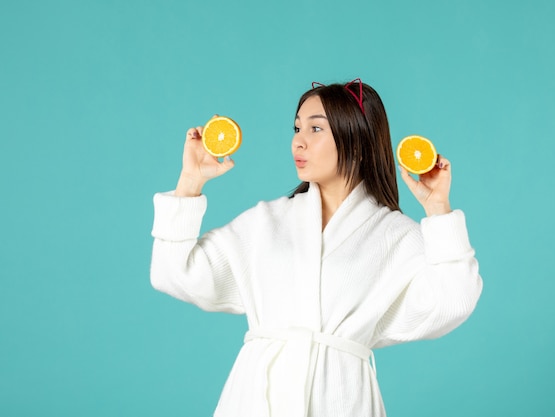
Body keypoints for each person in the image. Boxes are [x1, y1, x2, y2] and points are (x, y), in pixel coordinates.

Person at [150, 78, 483, 417]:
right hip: (254, 398)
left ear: (356, 139)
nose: (299, 141)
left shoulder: (394, 235)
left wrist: (438, 209)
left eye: (315, 129)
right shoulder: (266, 221)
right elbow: (173, 273)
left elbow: (453, 301)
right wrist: (190, 182)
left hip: (340, 397)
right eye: (297, 128)